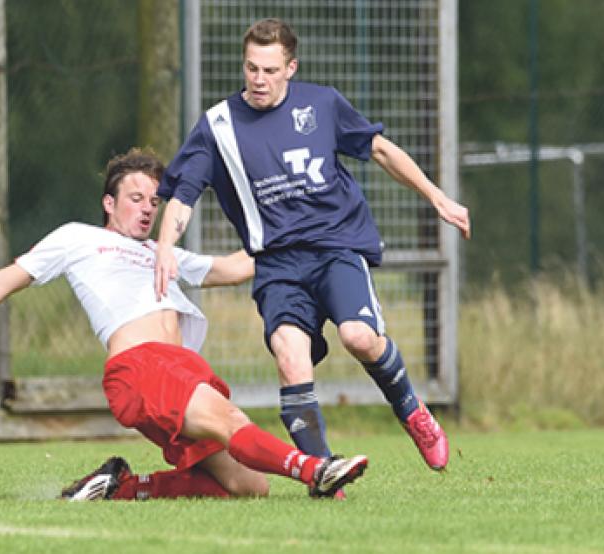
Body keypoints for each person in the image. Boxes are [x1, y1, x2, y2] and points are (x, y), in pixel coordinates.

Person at [0, 147, 368, 501]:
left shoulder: (162, 253)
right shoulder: (79, 239)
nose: (147, 208)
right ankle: (316, 470)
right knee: (232, 423)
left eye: (155, 201)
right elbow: (0, 282)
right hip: (145, 368)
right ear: (109, 204)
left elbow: (236, 267)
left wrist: (304, 234)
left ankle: (123, 487)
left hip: (181, 371)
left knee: (247, 487)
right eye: (135, 197)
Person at [153, 18, 471, 479]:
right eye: (251, 69)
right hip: (278, 265)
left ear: (290, 68)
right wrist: (165, 245)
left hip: (335, 247)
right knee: (291, 359)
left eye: (269, 70)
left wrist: (437, 196)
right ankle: (322, 474)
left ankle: (412, 411)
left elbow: (380, 150)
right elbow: (184, 195)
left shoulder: (322, 104)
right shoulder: (218, 127)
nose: (258, 80)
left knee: (359, 337)